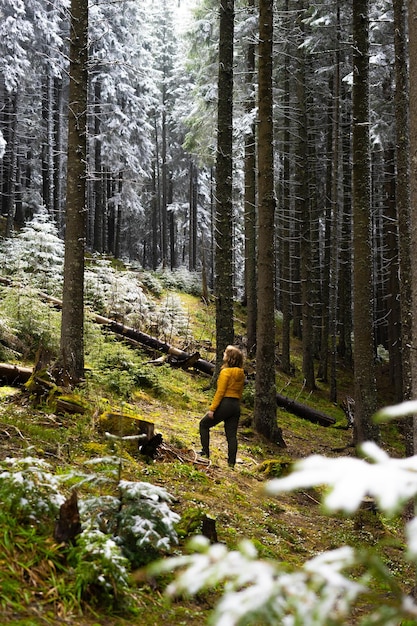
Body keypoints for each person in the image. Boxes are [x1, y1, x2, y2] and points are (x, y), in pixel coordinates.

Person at [199, 345, 245, 468]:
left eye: (225, 353)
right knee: (231, 435)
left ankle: (205, 452)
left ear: (230, 358)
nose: (223, 354)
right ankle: (231, 463)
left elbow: (220, 392)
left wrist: (212, 409)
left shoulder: (225, 372)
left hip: (225, 403)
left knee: (203, 424)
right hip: (235, 405)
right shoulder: (241, 373)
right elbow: (240, 392)